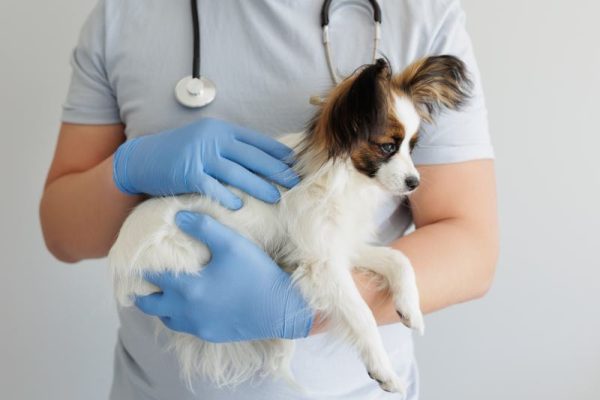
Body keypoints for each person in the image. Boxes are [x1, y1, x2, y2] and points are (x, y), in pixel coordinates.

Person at [39, 0, 499, 399]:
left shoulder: (421, 12)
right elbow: (62, 234)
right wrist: (128, 168)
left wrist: (300, 309)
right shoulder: (124, 14)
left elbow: (471, 245)